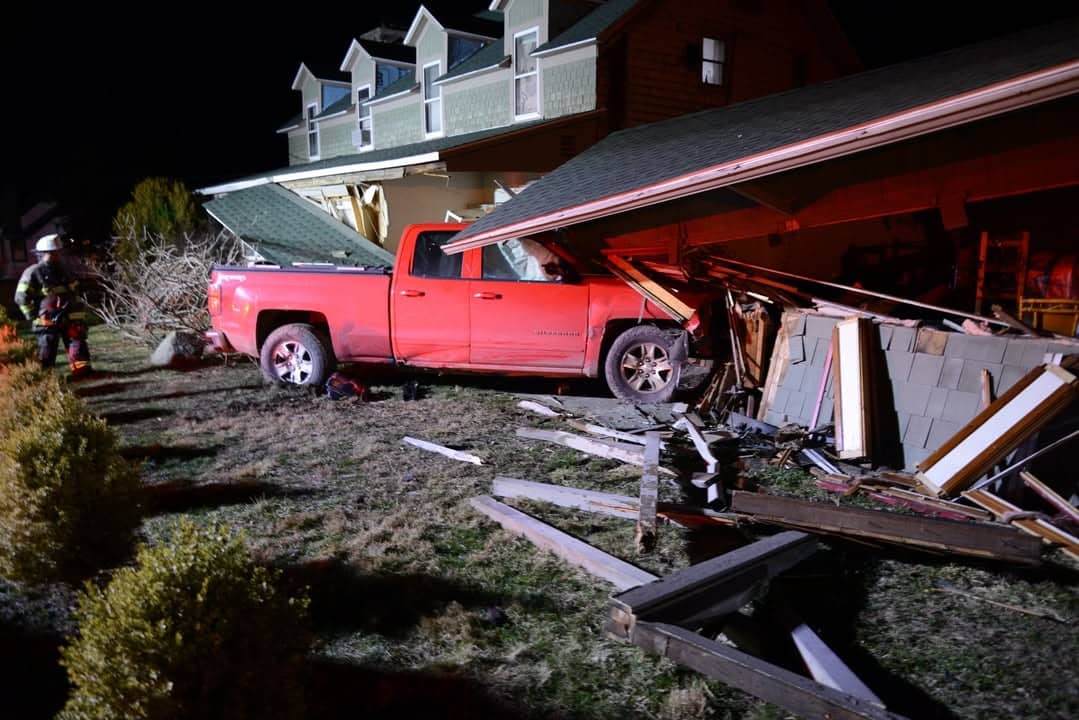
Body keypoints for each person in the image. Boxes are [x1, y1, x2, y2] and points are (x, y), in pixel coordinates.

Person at [14, 233, 95, 378]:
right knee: (47, 351)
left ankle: (83, 374)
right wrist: (31, 315)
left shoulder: (65, 270)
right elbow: (21, 297)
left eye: (56, 253)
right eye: (52, 253)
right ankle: (45, 379)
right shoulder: (34, 272)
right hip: (48, 321)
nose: (55, 256)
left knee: (77, 348)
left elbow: (76, 292)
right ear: (42, 254)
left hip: (72, 319)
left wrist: (79, 314)